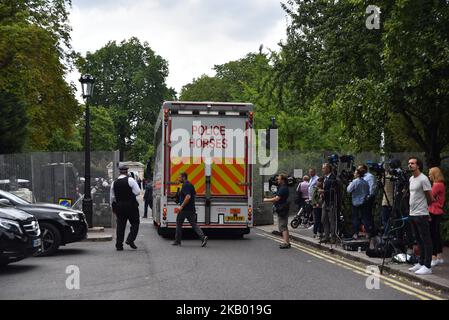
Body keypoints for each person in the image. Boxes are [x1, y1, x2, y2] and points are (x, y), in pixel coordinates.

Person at [407, 157, 435, 275]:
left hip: (421, 213)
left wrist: (424, 207)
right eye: (409, 163)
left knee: (426, 239)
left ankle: (427, 265)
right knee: (417, 239)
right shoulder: (411, 179)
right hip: (412, 213)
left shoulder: (423, 179)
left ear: (418, 165)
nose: (410, 165)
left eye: (412, 163)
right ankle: (421, 262)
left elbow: (430, 197)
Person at [172, 172, 208, 247]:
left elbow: (188, 196)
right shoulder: (190, 185)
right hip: (191, 209)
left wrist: (181, 206)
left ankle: (177, 241)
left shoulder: (185, 185)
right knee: (194, 224)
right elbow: (193, 195)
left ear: (184, 177)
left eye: (180, 177)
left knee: (178, 224)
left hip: (184, 209)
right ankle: (203, 237)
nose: (178, 179)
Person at [110, 164, 141, 251]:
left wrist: (113, 207)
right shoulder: (130, 180)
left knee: (120, 226)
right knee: (135, 223)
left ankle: (119, 245)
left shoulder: (114, 183)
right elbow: (137, 192)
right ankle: (130, 239)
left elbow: (112, 197)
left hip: (119, 206)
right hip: (131, 206)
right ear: (127, 172)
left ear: (119, 172)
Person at [264, 174, 291, 248]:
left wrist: (267, 200)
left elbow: (277, 198)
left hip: (282, 209)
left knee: (282, 226)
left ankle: (286, 243)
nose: (277, 180)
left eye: (279, 179)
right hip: (282, 208)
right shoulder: (282, 187)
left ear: (282, 180)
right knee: (283, 226)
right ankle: (287, 242)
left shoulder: (283, 188)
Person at [428, 167, 446, 267]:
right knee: (437, 234)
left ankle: (433, 257)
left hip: (433, 211)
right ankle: (439, 256)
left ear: (435, 174)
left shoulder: (437, 185)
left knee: (432, 235)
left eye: (430, 173)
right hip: (437, 211)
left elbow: (429, 196)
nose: (429, 175)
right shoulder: (441, 184)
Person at [346, 168, 370, 240]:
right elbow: (368, 192)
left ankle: (356, 233)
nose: (354, 174)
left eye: (355, 173)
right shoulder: (366, 182)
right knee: (365, 218)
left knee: (355, 218)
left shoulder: (355, 181)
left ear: (358, 174)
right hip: (364, 202)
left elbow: (348, 190)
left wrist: (350, 183)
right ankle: (367, 233)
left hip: (355, 203)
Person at [320, 163, 338, 244]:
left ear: (328, 169)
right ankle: (326, 236)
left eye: (324, 168)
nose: (322, 170)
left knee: (332, 221)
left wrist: (323, 191)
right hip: (325, 201)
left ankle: (333, 237)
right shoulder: (324, 178)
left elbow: (334, 191)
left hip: (331, 202)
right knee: (324, 219)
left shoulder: (333, 178)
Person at [359, 165, 377, 237]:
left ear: (364, 169)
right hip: (362, 198)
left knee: (367, 215)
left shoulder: (369, 177)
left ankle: (369, 231)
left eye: (360, 169)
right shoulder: (361, 177)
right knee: (363, 215)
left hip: (368, 198)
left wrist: (368, 196)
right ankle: (366, 230)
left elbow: (372, 187)